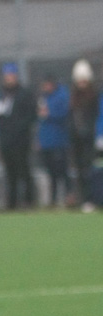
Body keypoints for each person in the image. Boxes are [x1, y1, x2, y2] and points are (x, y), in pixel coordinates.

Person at [0, 63, 38, 209]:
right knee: (9, 172)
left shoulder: (24, 94)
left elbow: (31, 115)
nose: (9, 79)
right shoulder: (2, 95)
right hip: (6, 140)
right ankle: (11, 203)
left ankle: (29, 200)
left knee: (24, 170)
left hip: (21, 140)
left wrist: (18, 128)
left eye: (11, 75)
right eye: (7, 76)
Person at [69, 59, 99, 212]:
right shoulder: (74, 98)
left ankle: (93, 199)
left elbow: (96, 118)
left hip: (90, 140)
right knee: (80, 170)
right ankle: (84, 199)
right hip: (77, 140)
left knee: (91, 170)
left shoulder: (94, 97)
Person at [36, 74, 71, 208]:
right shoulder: (43, 98)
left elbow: (63, 114)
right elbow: (40, 120)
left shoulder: (62, 96)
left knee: (62, 170)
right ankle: (53, 199)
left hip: (59, 141)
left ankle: (69, 196)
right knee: (50, 171)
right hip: (46, 141)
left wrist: (49, 114)